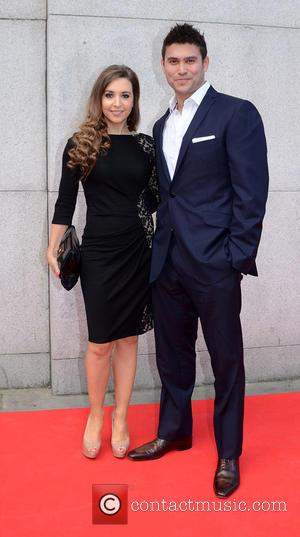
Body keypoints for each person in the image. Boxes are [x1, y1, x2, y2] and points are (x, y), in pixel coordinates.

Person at [128, 24, 269, 498]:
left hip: (214, 263)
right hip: (167, 260)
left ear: (205, 63)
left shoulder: (236, 114)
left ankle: (229, 452)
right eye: (173, 61)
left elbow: (252, 192)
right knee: (172, 354)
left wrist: (235, 256)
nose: (181, 69)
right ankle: (176, 430)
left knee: (226, 359)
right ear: (164, 66)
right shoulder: (162, 123)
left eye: (190, 60)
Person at [47, 65, 159, 460]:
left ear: (134, 101)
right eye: (110, 94)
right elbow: (65, 201)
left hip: (137, 251)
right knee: (99, 344)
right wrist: (53, 246)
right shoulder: (81, 143)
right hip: (98, 253)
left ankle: (122, 417)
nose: (117, 102)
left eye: (125, 95)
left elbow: (159, 198)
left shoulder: (147, 146)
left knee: (129, 338)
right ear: (99, 98)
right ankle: (96, 415)